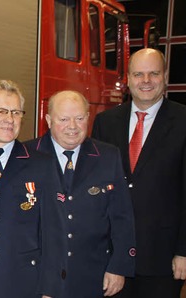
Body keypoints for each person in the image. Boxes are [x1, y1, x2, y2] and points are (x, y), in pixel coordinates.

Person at [92, 48, 186, 298]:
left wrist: (184, 250)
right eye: (138, 74)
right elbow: (95, 188)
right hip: (111, 258)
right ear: (128, 78)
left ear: (165, 76)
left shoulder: (183, 121)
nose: (146, 81)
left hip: (162, 259)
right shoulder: (104, 122)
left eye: (153, 73)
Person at [25, 90, 135, 297]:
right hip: (40, 274)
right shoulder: (27, 155)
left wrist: (119, 266)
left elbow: (122, 217)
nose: (72, 127)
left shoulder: (108, 156)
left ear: (88, 117)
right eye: (64, 119)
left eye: (79, 118)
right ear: (48, 120)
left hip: (93, 275)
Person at [0, 79, 65, 298]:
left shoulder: (42, 164)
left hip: (23, 285)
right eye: (1, 111)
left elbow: (54, 232)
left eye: (16, 112)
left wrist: (49, 289)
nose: (9, 119)